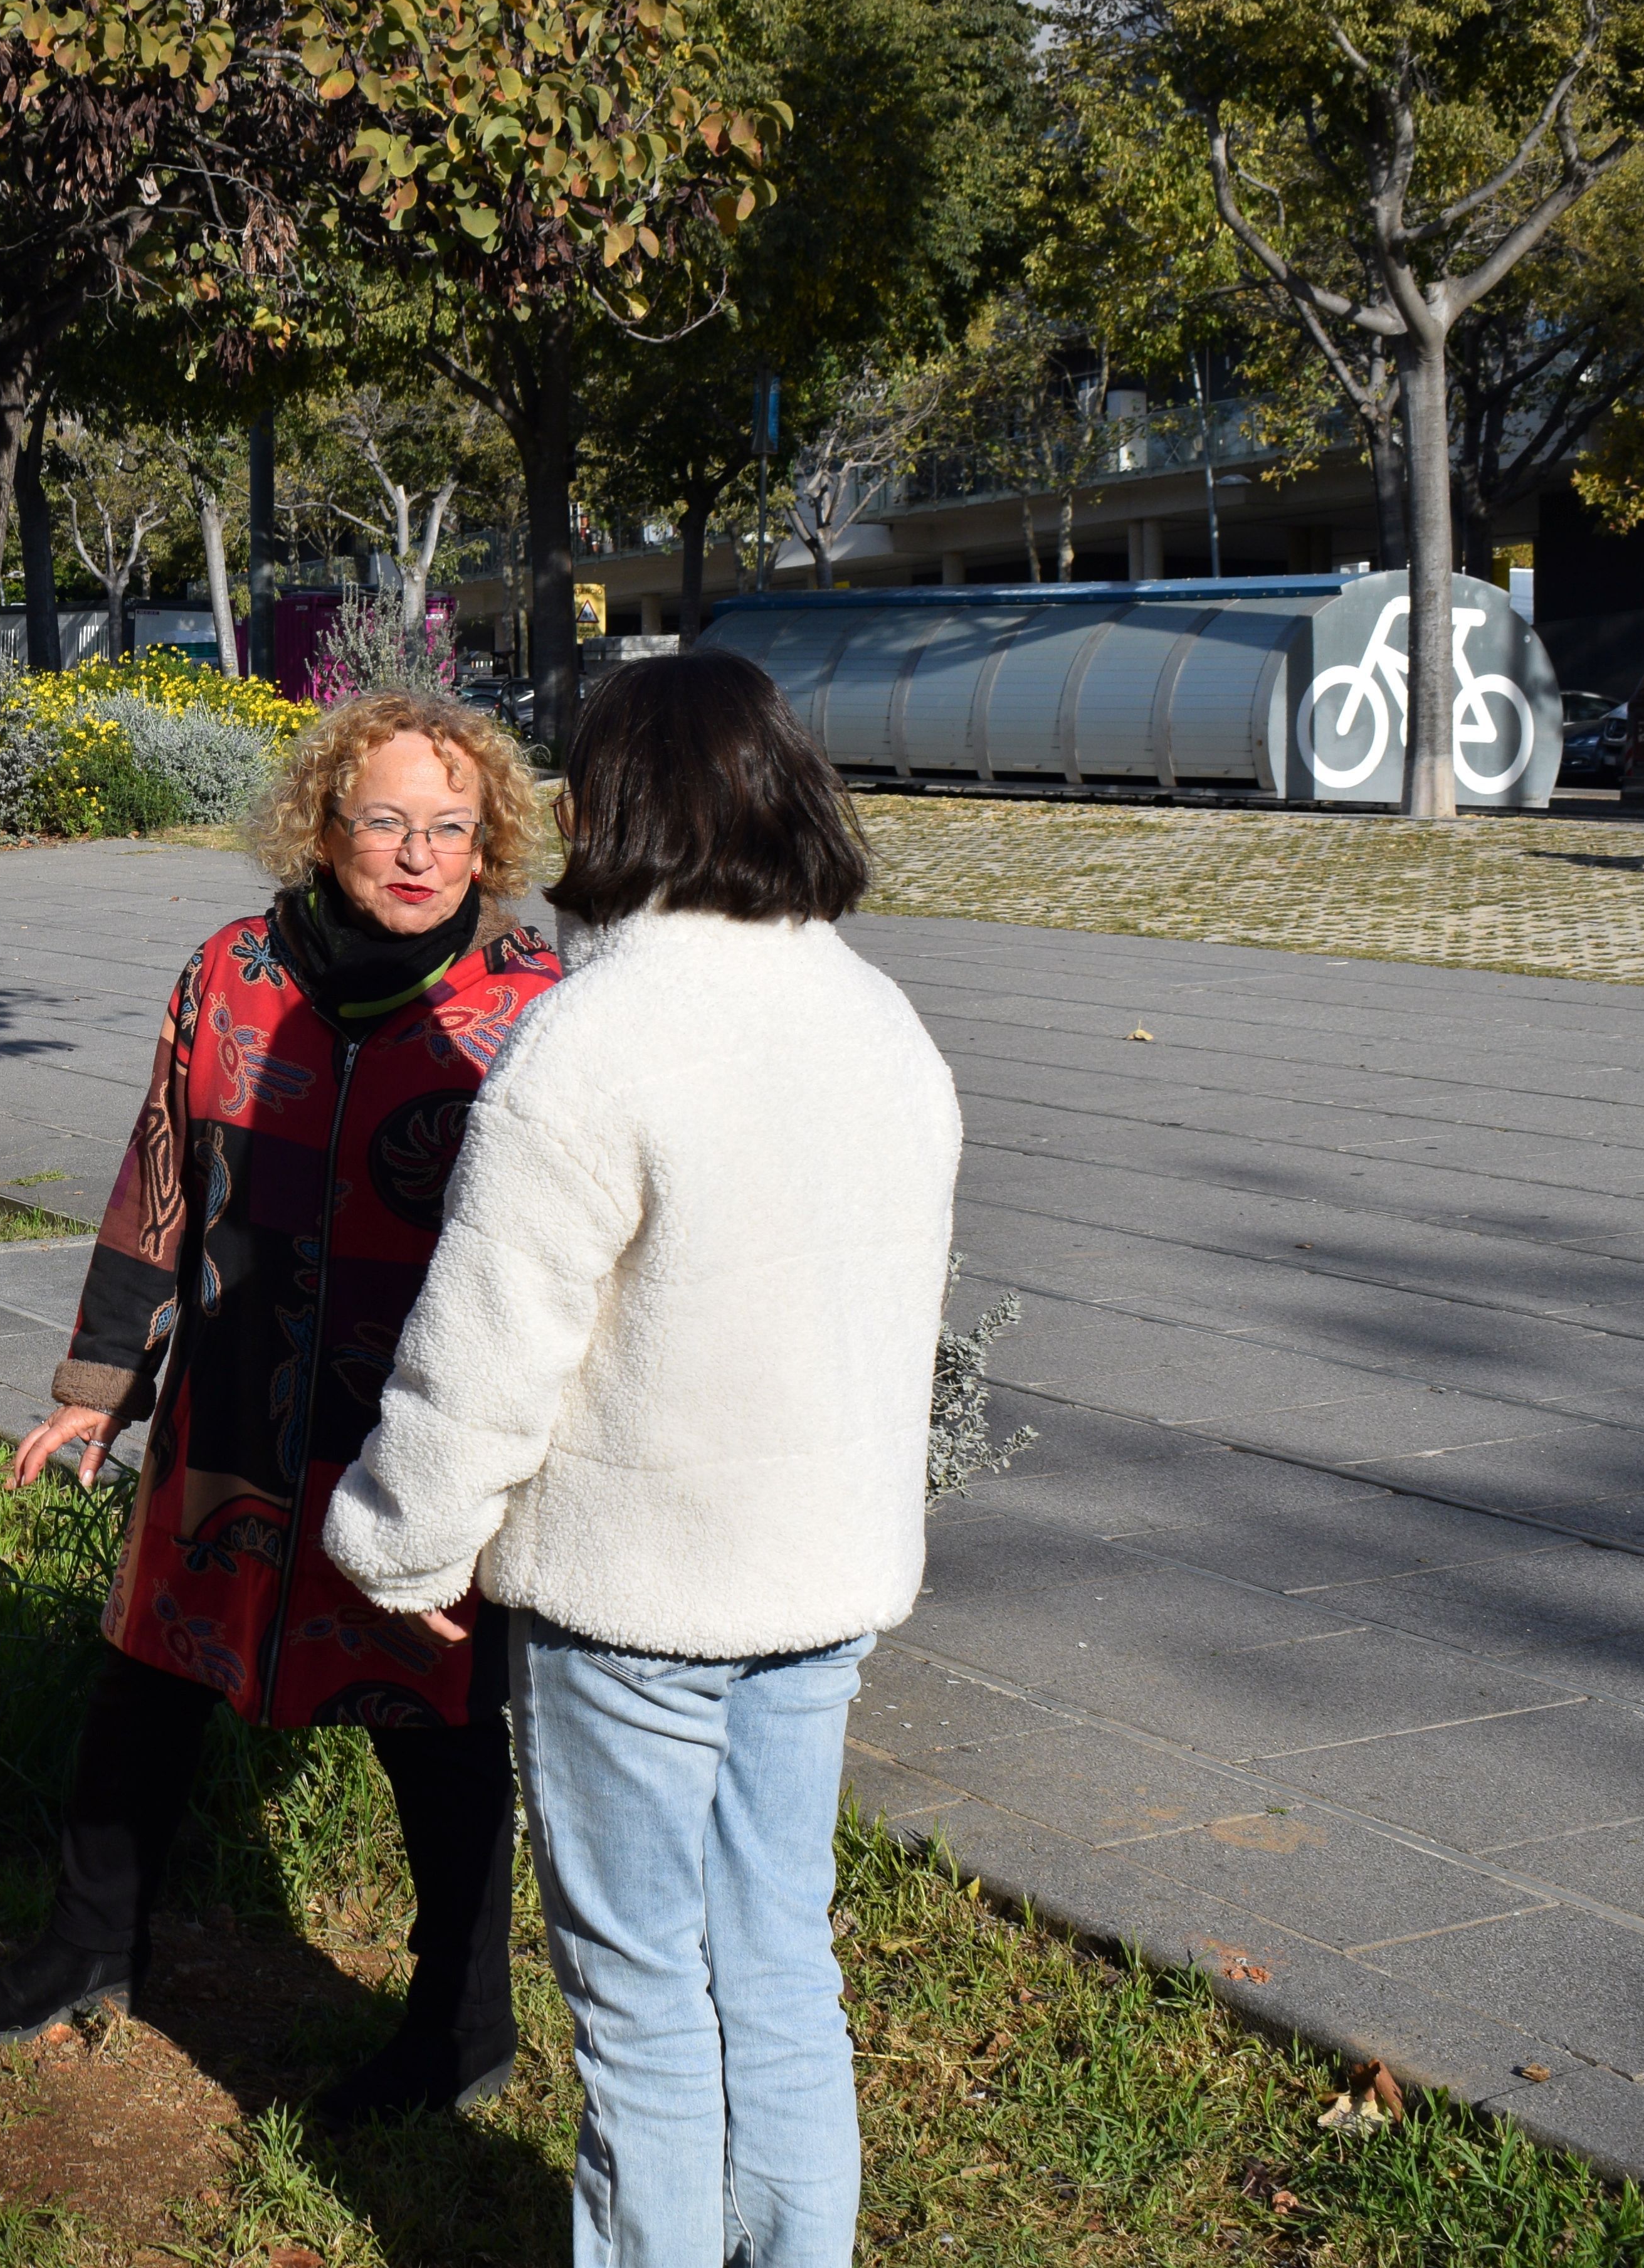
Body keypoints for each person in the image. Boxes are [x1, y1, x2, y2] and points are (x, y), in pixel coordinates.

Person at [320, 651, 960, 2267]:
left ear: (606, 806)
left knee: (644, 1999)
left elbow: (490, 1343)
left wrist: (403, 1543)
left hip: (638, 1599)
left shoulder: (593, 1040)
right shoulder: (880, 1019)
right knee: (782, 1965)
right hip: (820, 1579)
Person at [0, 690, 563, 2127]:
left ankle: (460, 2022)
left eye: (451, 826)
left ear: (490, 841)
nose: (420, 853)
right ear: (325, 826)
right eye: (386, 820)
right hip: (229, 1413)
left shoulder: (534, 1008)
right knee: (149, 1668)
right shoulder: (231, 972)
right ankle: (90, 1941)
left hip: (417, 1427)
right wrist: (103, 1386)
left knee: (439, 1717)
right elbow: (162, 1170)